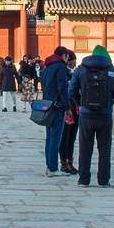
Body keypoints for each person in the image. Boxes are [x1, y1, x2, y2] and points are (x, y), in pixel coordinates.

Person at [69, 45, 114, 187]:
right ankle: (103, 180)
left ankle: (83, 179)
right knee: (104, 148)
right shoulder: (113, 70)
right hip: (105, 115)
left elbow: (71, 90)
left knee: (85, 147)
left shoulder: (80, 69)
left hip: (86, 114)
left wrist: (80, 103)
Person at [38, 47, 72, 177]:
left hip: (47, 105)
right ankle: (53, 168)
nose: (68, 59)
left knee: (49, 138)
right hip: (57, 106)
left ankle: (49, 165)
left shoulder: (47, 67)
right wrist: (67, 107)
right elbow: (62, 88)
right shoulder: (60, 67)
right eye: (67, 56)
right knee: (56, 138)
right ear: (63, 55)